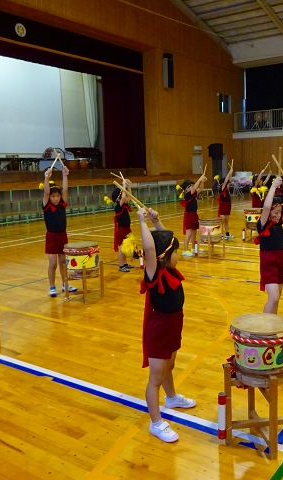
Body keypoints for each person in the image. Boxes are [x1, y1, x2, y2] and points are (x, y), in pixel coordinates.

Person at [137, 206, 196, 443]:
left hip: (173, 325)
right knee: (155, 379)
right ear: (163, 257)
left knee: (169, 366)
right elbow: (152, 248)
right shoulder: (153, 272)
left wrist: (157, 221)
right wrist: (141, 220)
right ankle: (156, 423)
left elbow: (165, 242)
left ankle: (171, 398)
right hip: (160, 330)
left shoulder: (167, 266)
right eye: (176, 252)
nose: (179, 255)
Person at [254, 176, 283, 314]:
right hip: (268, 261)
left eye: (280, 212)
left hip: (281, 259)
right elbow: (267, 206)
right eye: (275, 213)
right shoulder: (262, 224)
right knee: (273, 297)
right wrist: (273, 187)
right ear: (268, 214)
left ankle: (273, 323)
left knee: (277, 297)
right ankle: (265, 325)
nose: (278, 215)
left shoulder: (278, 222)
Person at [42, 166, 77, 296]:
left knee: (63, 262)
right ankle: (52, 287)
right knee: (53, 263)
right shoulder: (46, 206)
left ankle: (65, 284)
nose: (56, 198)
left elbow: (66, 189)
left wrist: (65, 175)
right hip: (51, 237)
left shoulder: (62, 204)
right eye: (53, 196)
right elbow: (45, 193)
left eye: (57, 196)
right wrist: (47, 178)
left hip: (63, 236)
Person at [180, 174, 207, 257]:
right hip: (190, 215)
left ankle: (193, 248)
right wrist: (200, 179)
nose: (192, 187)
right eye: (190, 186)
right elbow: (195, 187)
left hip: (194, 214)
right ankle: (185, 250)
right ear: (187, 189)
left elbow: (201, 188)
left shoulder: (193, 193)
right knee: (189, 233)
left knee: (194, 232)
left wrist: (202, 181)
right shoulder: (188, 195)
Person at [113, 179, 134, 272]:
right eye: (122, 196)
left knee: (125, 247)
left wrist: (128, 186)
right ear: (118, 198)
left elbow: (130, 196)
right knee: (121, 248)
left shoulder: (124, 204)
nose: (125, 198)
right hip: (121, 230)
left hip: (127, 228)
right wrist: (123, 186)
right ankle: (121, 266)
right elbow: (123, 197)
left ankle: (125, 263)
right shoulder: (118, 206)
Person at [216, 168, 234, 239]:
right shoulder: (222, 188)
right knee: (222, 220)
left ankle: (227, 234)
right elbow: (226, 180)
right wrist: (229, 172)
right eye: (227, 183)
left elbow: (228, 180)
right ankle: (220, 234)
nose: (228, 184)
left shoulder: (226, 190)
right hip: (223, 205)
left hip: (228, 205)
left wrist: (230, 174)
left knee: (226, 220)